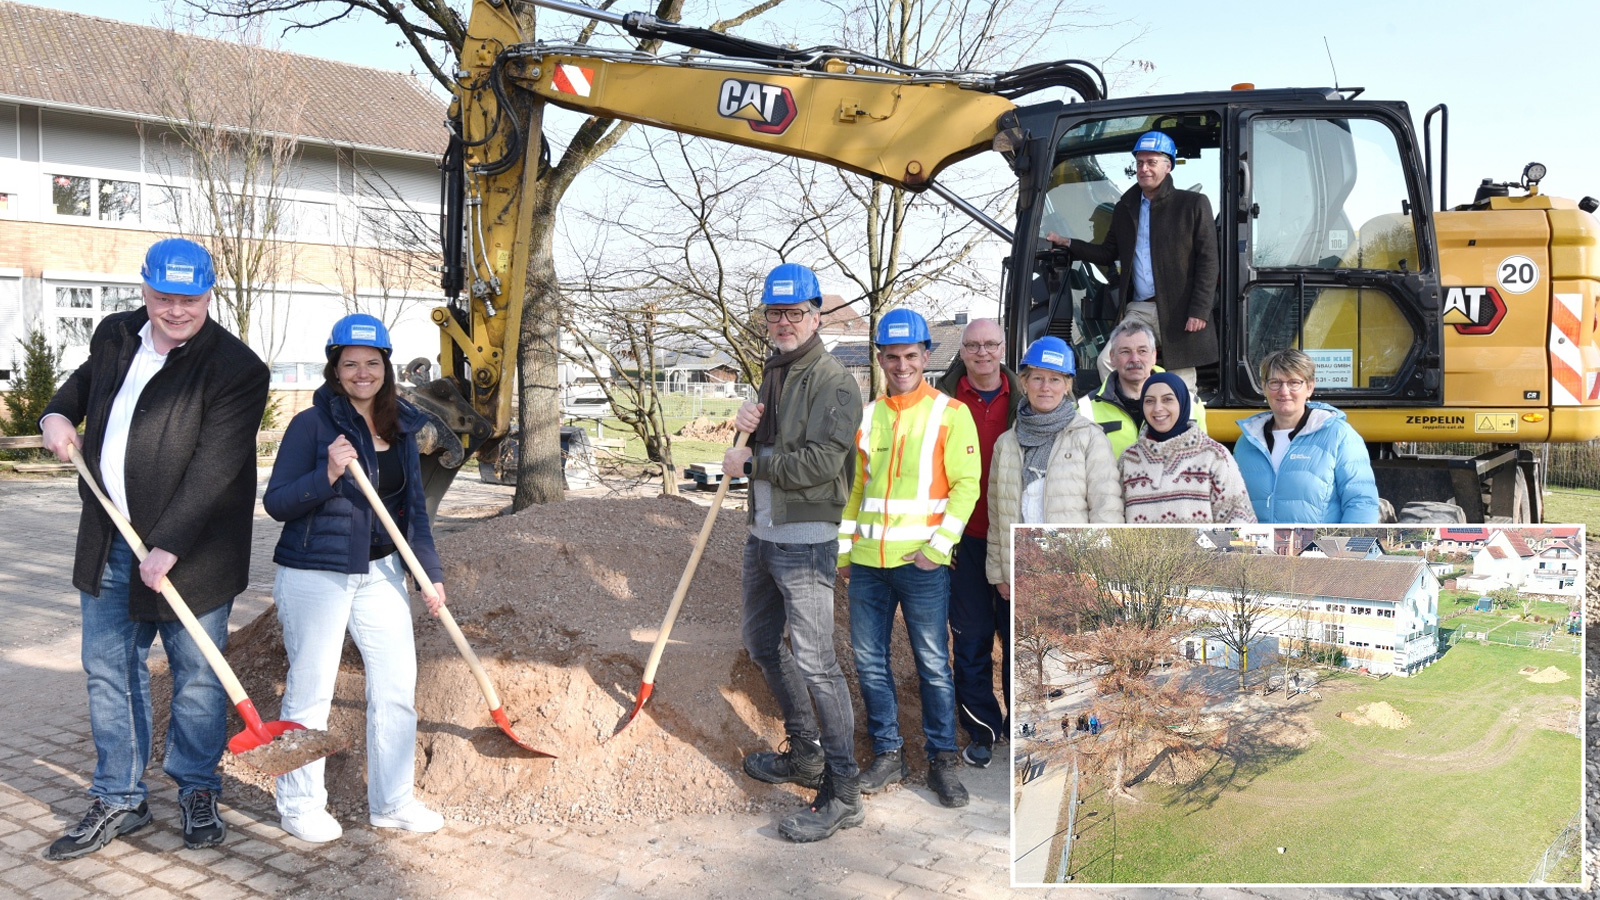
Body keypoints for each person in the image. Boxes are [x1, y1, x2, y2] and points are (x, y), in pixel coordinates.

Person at [38, 238, 269, 860]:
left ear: (209, 294)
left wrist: (168, 544)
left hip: (195, 554)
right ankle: (120, 797)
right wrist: (56, 415)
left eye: (190, 299)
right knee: (110, 671)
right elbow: (82, 385)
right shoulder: (116, 334)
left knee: (197, 677)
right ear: (144, 289)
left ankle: (197, 788)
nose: (176, 311)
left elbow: (215, 466)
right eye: (164, 297)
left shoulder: (237, 369)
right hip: (110, 540)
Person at [262, 314, 446, 843]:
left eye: (372, 362)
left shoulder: (402, 425)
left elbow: (414, 511)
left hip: (382, 571)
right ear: (335, 368)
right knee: (310, 692)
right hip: (315, 574)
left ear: (386, 367)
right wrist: (327, 474)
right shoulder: (311, 425)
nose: (362, 373)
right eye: (350, 364)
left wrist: (428, 574)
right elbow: (277, 503)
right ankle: (299, 804)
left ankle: (393, 802)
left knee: (396, 689)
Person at [720, 264, 864, 843]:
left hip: (804, 542)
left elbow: (822, 465)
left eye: (795, 313)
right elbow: (771, 444)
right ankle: (805, 754)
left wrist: (753, 462)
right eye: (775, 313)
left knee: (817, 662)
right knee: (760, 642)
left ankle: (844, 792)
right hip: (764, 533)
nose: (784, 322)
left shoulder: (834, 381)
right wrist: (746, 427)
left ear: (815, 316)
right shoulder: (774, 372)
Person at [839, 308, 980, 809]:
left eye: (910, 356)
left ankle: (943, 760)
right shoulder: (868, 416)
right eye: (892, 357)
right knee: (869, 663)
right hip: (867, 566)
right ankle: (889, 753)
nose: (902, 365)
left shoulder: (950, 413)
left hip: (921, 565)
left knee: (933, 665)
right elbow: (857, 488)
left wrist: (937, 550)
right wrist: (844, 552)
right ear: (880, 359)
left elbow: (966, 487)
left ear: (926, 355)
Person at [1046, 130, 1219, 393]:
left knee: (1181, 384)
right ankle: (1135, 409)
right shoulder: (1125, 208)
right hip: (1139, 309)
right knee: (1108, 361)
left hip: (1180, 310)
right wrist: (1069, 243)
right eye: (1139, 163)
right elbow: (1107, 253)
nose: (1144, 169)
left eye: (1151, 162)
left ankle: (1177, 415)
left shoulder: (1193, 204)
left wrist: (1199, 310)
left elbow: (1208, 260)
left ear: (1168, 166)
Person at [933, 318, 1020, 770]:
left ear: (1003, 347)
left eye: (990, 344)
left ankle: (1020, 725)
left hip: (1012, 538)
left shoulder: (1027, 399)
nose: (982, 352)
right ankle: (982, 730)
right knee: (971, 638)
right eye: (973, 345)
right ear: (962, 351)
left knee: (1018, 637)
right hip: (962, 539)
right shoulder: (942, 401)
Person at [986, 336, 1124, 598]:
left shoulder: (1089, 437)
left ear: (1067, 385)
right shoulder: (1005, 444)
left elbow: (1107, 509)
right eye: (1037, 378)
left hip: (1074, 575)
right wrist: (998, 573)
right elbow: (996, 516)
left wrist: (1099, 572)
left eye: (1055, 379)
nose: (1045, 387)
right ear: (1024, 383)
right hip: (1019, 573)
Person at [1233, 348, 1381, 523]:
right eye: (1275, 382)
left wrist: (1342, 541)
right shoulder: (1246, 442)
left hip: (1319, 541)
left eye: (1294, 382)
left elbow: (1361, 503)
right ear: (1264, 387)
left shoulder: (1339, 436)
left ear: (1310, 387)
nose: (1284, 391)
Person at [1119, 373, 1255, 524]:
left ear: (1182, 402)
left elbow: (1239, 523)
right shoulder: (1128, 459)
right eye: (1149, 401)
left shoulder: (1214, 456)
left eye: (1167, 399)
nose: (1157, 408)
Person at [1078, 319, 1207, 459]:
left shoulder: (1191, 404)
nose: (1134, 359)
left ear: (1154, 356)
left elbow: (1203, 461)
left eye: (1142, 351)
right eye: (1125, 352)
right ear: (1112, 358)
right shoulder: (1085, 410)